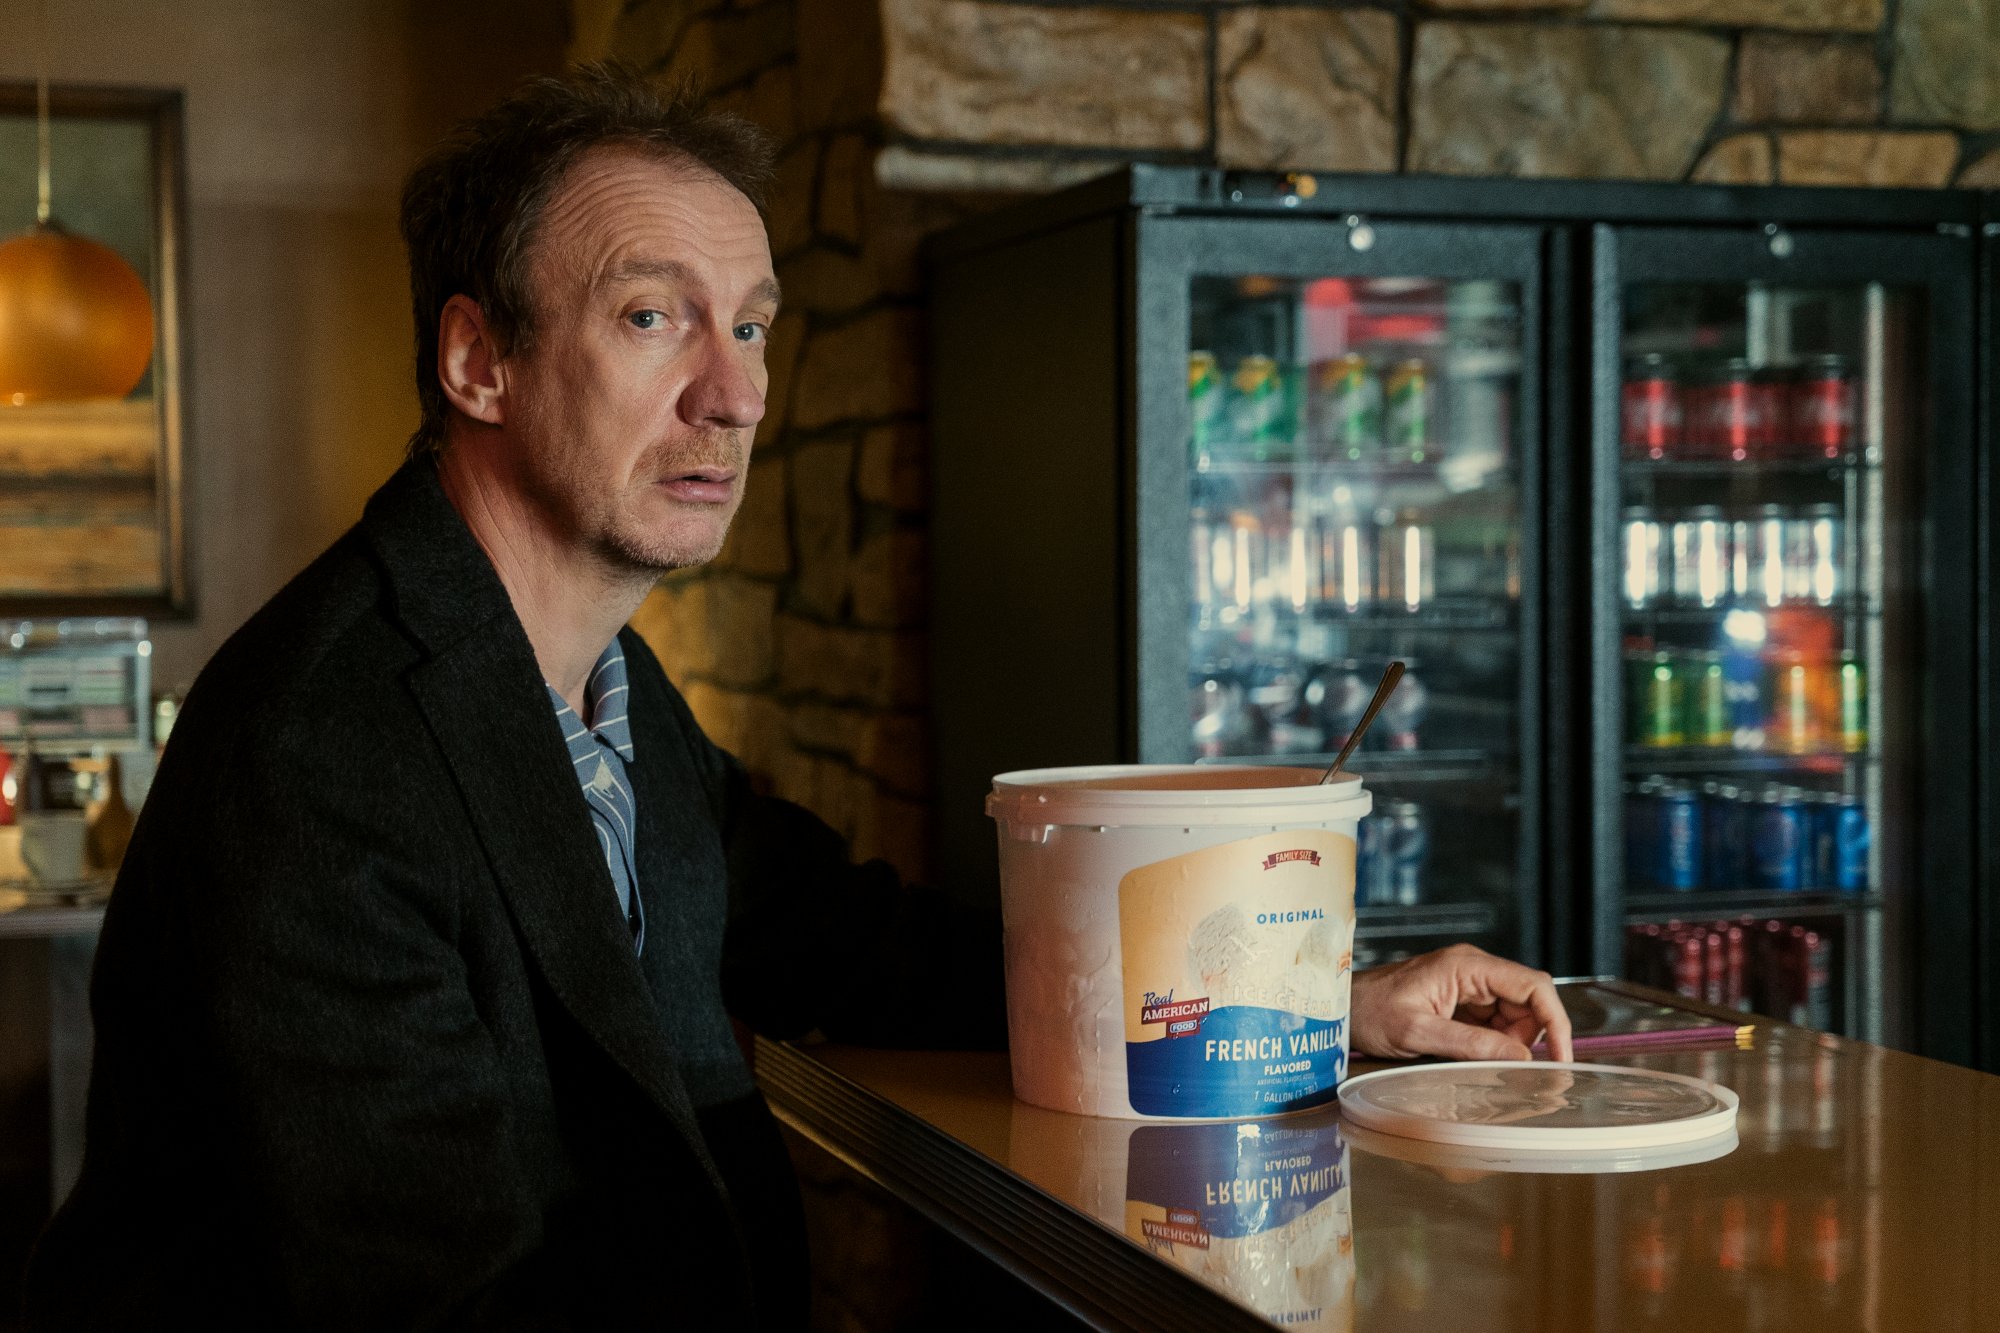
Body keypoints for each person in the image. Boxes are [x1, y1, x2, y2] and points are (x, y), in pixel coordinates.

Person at [23, 64, 1570, 1330]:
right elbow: (450, 1304)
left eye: (751, 322)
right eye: (654, 316)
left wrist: (1326, 1014)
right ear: (478, 362)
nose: (740, 389)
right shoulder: (321, 752)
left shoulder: (601, 688)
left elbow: (870, 944)